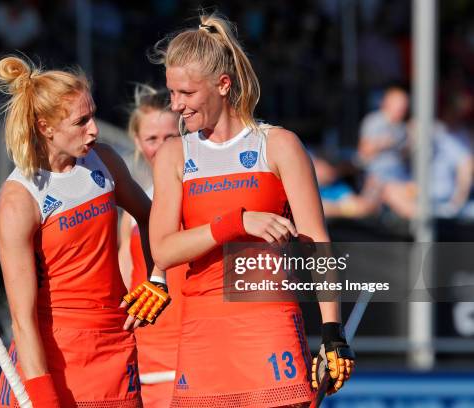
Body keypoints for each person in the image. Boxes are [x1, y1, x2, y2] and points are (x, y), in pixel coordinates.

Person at [144, 13, 355, 407]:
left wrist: (332, 333)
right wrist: (236, 223)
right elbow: (163, 250)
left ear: (223, 85)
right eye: (172, 93)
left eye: (186, 93)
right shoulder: (175, 153)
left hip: (267, 324)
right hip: (201, 331)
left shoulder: (277, 145)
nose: (176, 106)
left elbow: (317, 243)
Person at [0, 56, 153, 408]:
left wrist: (156, 277)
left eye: (92, 115)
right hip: (56, 357)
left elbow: (150, 217)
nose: (94, 130)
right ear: (45, 127)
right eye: (81, 121)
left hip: (116, 345)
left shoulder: (104, 161)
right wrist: (43, 396)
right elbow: (22, 318)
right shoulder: (21, 196)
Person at [118, 84, 186, 408]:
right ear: (137, 142)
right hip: (143, 357)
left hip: (191, 355)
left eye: (170, 137)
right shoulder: (135, 203)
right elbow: (125, 276)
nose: (161, 148)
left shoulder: (201, 189)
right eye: (151, 139)